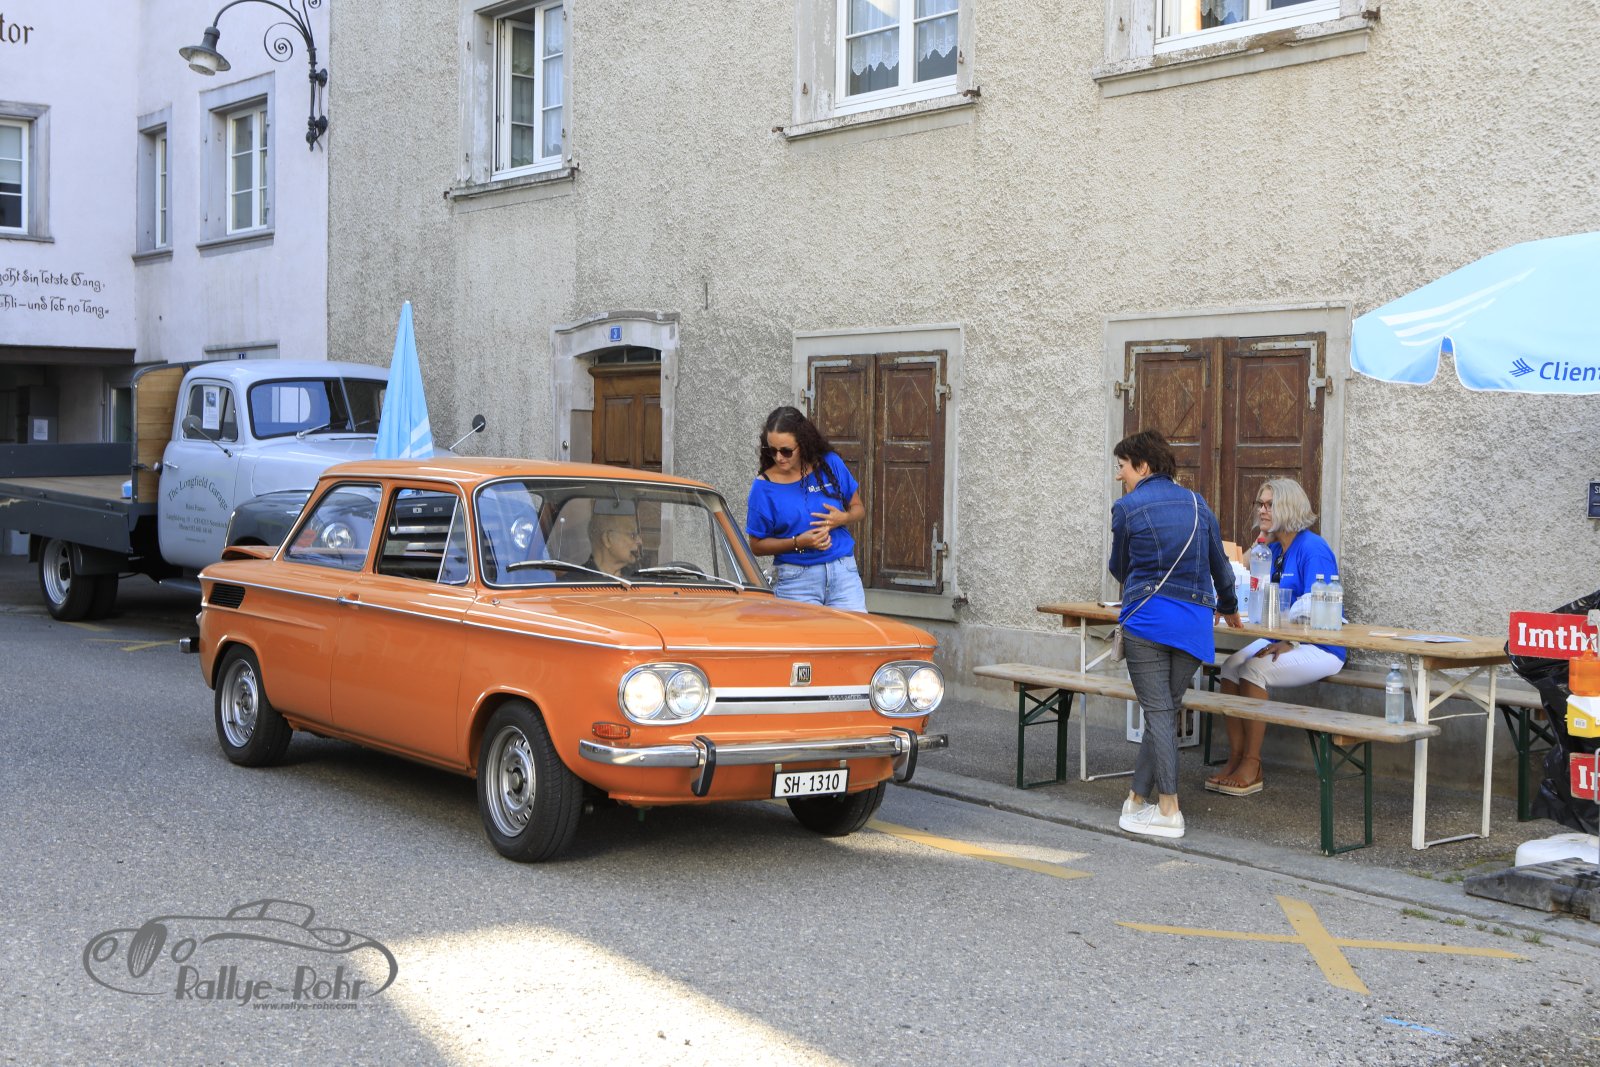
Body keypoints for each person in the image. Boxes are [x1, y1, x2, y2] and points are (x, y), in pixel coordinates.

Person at [1109, 430, 1241, 840]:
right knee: (1163, 711)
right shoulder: (1200, 505)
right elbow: (1221, 567)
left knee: (1159, 713)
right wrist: (1230, 607)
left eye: (1122, 467)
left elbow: (1119, 568)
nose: (1119, 475)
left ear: (1143, 466)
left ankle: (1169, 809)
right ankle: (1136, 799)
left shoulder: (1126, 508)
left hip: (1148, 620)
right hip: (1194, 625)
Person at [1207, 477, 1345, 797]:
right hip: (1282, 640)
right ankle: (1235, 758)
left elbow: (1320, 606)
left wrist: (1291, 641)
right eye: (1261, 504)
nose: (1262, 510)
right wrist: (1260, 543)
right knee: (1230, 667)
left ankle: (1252, 764)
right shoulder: (1273, 549)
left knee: (1254, 670)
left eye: (1271, 505)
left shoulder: (1313, 549)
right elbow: (1245, 580)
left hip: (1322, 647)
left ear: (1290, 507)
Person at [745, 406, 867, 612]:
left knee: (856, 632)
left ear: (802, 443)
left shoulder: (830, 463)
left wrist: (842, 518)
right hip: (796, 581)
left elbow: (859, 509)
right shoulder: (763, 487)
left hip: (843, 573)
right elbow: (756, 546)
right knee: (805, 635)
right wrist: (798, 542)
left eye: (786, 451)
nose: (779, 457)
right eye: (772, 450)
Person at [584, 509, 642, 577]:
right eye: (632, 535)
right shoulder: (577, 581)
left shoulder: (637, 577)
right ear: (607, 539)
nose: (640, 541)